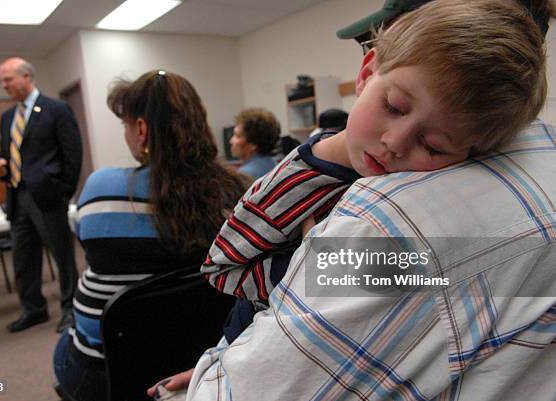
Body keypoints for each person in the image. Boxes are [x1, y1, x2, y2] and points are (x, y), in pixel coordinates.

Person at [149, 0, 556, 399]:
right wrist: (310, 268)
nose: (394, 143)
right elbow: (221, 266)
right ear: (366, 72)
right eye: (393, 107)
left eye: (432, 146)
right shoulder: (302, 177)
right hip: (257, 331)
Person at [53, 70, 249, 401]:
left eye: (126, 126)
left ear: (141, 129)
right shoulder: (237, 193)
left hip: (107, 371)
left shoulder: (101, 190)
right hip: (205, 358)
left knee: (64, 343)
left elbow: (87, 241)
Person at [0, 57, 82, 333]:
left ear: (26, 77)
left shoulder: (56, 109)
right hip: (17, 199)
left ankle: (70, 310)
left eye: (8, 79)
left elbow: (73, 154)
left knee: (62, 257)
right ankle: (34, 309)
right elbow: (7, 154)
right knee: (23, 259)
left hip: (47, 197)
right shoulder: (8, 117)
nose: (4, 85)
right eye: (2, 81)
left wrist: (63, 192)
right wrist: (1, 169)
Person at [229, 107, 280, 179]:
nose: (231, 141)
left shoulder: (246, 174)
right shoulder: (275, 164)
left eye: (237, 136)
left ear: (253, 145)